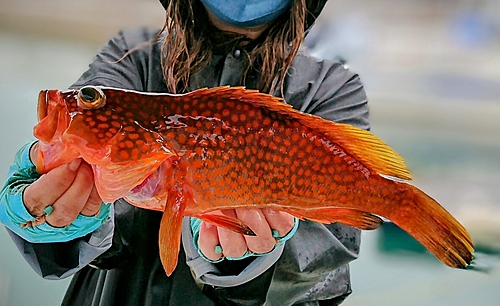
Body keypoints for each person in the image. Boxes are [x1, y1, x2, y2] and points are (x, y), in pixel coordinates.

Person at [0, 0, 369, 305]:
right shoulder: (133, 55)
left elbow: (329, 251)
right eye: (89, 101)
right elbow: (95, 133)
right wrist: (54, 217)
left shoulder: (332, 87)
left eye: (90, 100)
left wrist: (249, 264)